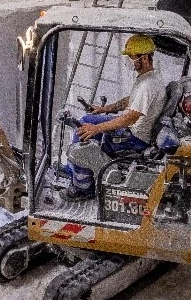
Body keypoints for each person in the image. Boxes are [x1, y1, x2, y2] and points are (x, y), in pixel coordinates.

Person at [66, 35, 166, 195]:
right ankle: (78, 169)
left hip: (135, 138)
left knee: (83, 132)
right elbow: (130, 101)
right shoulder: (146, 79)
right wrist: (105, 109)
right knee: (86, 120)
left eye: (132, 58)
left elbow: (130, 117)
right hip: (132, 130)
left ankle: (83, 186)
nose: (129, 61)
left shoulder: (149, 85)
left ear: (145, 58)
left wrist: (96, 129)